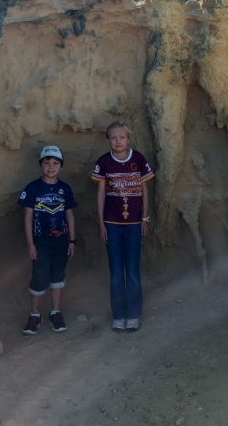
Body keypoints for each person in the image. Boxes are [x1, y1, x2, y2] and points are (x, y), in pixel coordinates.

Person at [91, 121, 154, 332]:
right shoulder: (104, 162)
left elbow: (145, 190)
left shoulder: (138, 159)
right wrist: (101, 224)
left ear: (128, 139)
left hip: (134, 224)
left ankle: (134, 314)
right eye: (113, 137)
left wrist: (145, 219)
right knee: (116, 271)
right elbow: (100, 195)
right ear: (108, 140)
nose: (118, 141)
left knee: (133, 271)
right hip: (112, 223)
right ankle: (119, 315)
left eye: (122, 137)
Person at [18, 145, 77, 335]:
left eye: (55, 163)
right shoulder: (33, 188)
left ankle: (55, 312)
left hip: (61, 240)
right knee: (40, 276)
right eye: (47, 163)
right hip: (41, 241)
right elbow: (27, 217)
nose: (51, 167)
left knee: (58, 276)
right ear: (40, 165)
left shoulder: (64, 188)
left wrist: (72, 241)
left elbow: (70, 215)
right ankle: (34, 315)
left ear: (61, 166)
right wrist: (30, 244)